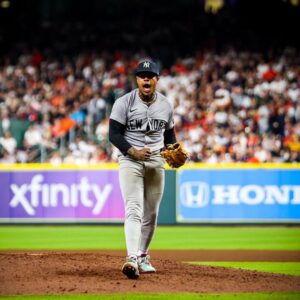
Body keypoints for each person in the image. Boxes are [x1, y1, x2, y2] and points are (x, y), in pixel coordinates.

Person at [109, 58, 176, 279]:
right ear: (137, 79)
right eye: (141, 75)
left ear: (157, 79)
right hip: (130, 161)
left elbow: (169, 136)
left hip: (156, 160)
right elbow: (114, 134)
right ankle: (131, 258)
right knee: (134, 209)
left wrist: (174, 150)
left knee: (152, 213)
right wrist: (132, 151)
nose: (145, 78)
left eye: (150, 75)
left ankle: (143, 255)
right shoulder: (123, 102)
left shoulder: (166, 104)